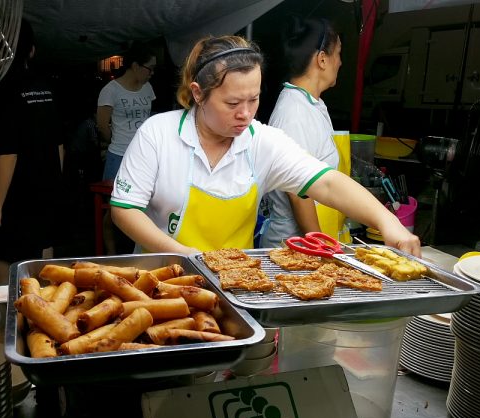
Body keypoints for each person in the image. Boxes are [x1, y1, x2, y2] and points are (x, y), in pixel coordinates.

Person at [109, 35, 421, 257]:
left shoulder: (262, 142)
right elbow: (125, 209)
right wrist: (184, 255)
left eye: (254, 99)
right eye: (232, 102)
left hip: (233, 285)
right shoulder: (158, 134)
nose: (245, 113)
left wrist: (387, 222)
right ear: (198, 93)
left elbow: (326, 183)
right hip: (162, 282)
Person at [0, 19, 67, 283]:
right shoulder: (45, 86)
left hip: (18, 192)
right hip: (46, 186)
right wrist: (55, 184)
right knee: (43, 252)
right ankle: (43, 314)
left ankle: (19, 317)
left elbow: (8, 152)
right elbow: (59, 144)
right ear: (31, 50)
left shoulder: (1, 89)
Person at [260, 17, 345, 248]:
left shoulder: (312, 104)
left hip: (306, 241)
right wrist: (322, 248)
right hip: (293, 246)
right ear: (322, 59)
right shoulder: (294, 112)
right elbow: (298, 193)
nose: (340, 62)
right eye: (338, 53)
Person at [97, 42, 156, 254]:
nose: (151, 73)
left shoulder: (148, 89)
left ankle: (137, 251)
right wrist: (117, 139)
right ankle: (112, 256)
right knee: (113, 210)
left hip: (145, 156)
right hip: (119, 155)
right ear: (135, 66)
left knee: (145, 208)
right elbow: (102, 124)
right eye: (149, 68)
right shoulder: (111, 90)